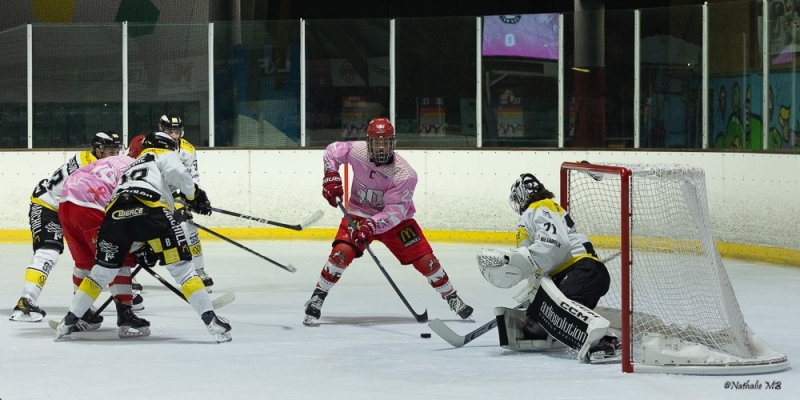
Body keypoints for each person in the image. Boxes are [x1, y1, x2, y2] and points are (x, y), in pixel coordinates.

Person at [55, 131, 231, 342]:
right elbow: (177, 173)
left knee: (100, 274)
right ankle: (213, 323)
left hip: (116, 216)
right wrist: (195, 196)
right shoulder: (163, 154)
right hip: (151, 212)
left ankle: (67, 324)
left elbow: (134, 201)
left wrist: (139, 246)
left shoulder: (133, 164)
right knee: (184, 271)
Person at [303, 117, 473, 326]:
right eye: (376, 142)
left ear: (393, 142)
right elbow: (331, 151)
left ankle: (452, 297)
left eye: (386, 142)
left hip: (395, 222)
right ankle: (317, 297)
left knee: (427, 261)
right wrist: (330, 175)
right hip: (359, 214)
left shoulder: (405, 174)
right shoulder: (357, 151)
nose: (381, 147)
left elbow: (395, 212)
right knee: (341, 254)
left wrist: (372, 225)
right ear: (369, 142)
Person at [477, 173, 618, 362]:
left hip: (580, 269)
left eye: (518, 197)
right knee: (534, 323)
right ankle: (556, 334)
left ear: (524, 193)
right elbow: (536, 256)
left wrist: (524, 265)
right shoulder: (536, 213)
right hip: (572, 272)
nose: (517, 202)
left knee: (562, 312)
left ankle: (607, 341)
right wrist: (534, 289)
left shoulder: (539, 207)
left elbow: (554, 243)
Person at [10, 132, 122, 323]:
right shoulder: (89, 165)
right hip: (48, 206)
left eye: (117, 151)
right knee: (49, 251)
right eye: (110, 151)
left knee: (85, 256)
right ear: (98, 150)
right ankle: (25, 302)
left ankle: (82, 306)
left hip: (70, 209)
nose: (115, 155)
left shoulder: (97, 162)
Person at [59, 144, 150, 337]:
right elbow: (135, 209)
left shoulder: (118, 161)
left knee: (84, 262)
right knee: (119, 256)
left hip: (66, 203)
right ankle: (125, 312)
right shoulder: (144, 169)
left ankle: (82, 314)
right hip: (91, 205)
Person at [159, 114, 214, 292]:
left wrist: (194, 197)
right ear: (162, 130)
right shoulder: (153, 145)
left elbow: (192, 176)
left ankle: (199, 270)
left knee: (190, 229)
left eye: (176, 131)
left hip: (176, 194)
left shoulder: (188, 149)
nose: (174, 135)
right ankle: (130, 276)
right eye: (170, 131)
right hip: (154, 195)